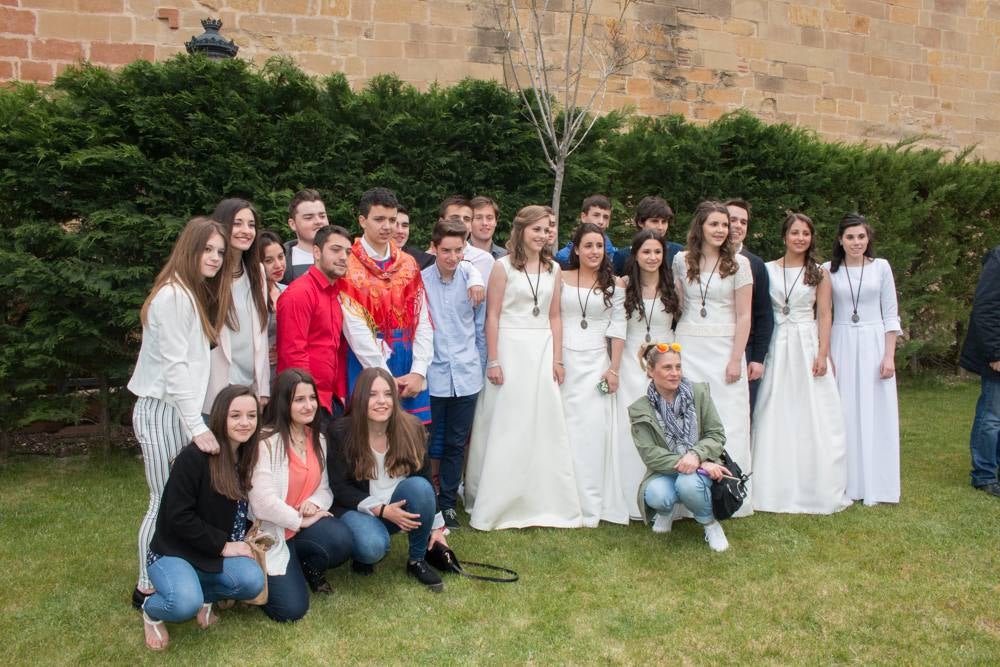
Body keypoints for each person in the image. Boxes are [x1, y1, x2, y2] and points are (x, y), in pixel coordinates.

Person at [128, 217, 230, 611]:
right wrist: (195, 425)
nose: (216, 258)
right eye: (207, 249)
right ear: (189, 249)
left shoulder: (191, 294)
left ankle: (183, 572)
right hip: (162, 411)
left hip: (181, 411)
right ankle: (145, 587)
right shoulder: (172, 296)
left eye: (220, 252)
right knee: (163, 501)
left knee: (183, 502)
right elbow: (174, 369)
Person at [464, 205, 583, 530]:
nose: (542, 236)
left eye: (546, 230)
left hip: (542, 349)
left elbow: (555, 316)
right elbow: (492, 316)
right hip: (510, 349)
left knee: (542, 422)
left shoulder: (553, 269)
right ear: (522, 230)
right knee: (507, 422)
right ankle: (497, 498)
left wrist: (558, 359)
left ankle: (543, 497)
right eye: (537, 230)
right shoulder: (502, 267)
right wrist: (494, 359)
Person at [140, 385, 266, 651]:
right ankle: (150, 611)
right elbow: (178, 518)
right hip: (174, 551)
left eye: (251, 415)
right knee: (183, 603)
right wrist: (223, 546)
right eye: (236, 415)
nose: (245, 423)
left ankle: (206, 598)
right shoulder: (194, 457)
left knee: (252, 581)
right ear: (220, 417)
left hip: (209, 551)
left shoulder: (245, 455)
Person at [751, 213, 850, 514]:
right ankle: (772, 484)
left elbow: (825, 314)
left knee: (811, 412)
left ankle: (812, 483)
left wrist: (822, 354)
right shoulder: (767, 269)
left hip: (806, 344)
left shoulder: (819, 273)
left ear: (811, 238)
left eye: (805, 233)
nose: (800, 238)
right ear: (784, 236)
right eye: (795, 233)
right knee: (773, 409)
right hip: (776, 344)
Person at [327, 368, 449, 591]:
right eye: (373, 395)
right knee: (372, 547)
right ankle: (362, 554)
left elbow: (425, 479)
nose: (381, 401)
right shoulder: (340, 432)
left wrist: (438, 529)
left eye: (387, 394)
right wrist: (381, 510)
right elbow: (339, 487)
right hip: (359, 509)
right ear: (361, 398)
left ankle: (417, 560)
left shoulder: (413, 428)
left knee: (420, 488)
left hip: (397, 506)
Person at [248, 369, 355, 622]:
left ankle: (306, 565)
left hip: (301, 530)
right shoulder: (265, 442)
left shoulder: (317, 438)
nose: (309, 406)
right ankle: (257, 574)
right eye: (299, 400)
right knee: (291, 610)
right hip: (272, 531)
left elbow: (325, 488)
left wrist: (314, 503)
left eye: (312, 398)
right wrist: (299, 520)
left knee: (341, 539)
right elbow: (262, 503)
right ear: (284, 403)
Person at [672, 201, 754, 517]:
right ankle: (688, 497)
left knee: (728, 417)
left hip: (724, 349)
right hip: (689, 345)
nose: (721, 230)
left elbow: (745, 315)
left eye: (725, 225)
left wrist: (736, 358)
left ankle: (730, 493)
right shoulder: (681, 261)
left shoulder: (740, 264)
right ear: (701, 228)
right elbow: (677, 304)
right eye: (714, 225)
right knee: (689, 418)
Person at [823, 213, 901, 505]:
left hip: (873, 342)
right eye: (850, 237)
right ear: (840, 240)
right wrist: (826, 354)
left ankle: (878, 483)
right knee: (843, 411)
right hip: (842, 341)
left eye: (861, 237)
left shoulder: (881, 268)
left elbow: (890, 314)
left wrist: (888, 355)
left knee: (875, 410)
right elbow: (823, 314)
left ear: (868, 239)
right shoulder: (828, 270)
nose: (856, 242)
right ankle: (847, 482)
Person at [277, 225, 388, 426]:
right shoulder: (299, 293)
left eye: (347, 252)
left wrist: (340, 393)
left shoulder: (336, 293)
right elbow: (293, 353)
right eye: (335, 250)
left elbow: (337, 349)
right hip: (305, 403)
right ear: (317, 252)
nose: (343, 257)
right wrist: (308, 400)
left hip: (331, 401)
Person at [340, 188, 434, 424]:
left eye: (392, 220)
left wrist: (419, 371)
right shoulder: (348, 265)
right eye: (379, 219)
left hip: (408, 360)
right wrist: (383, 377)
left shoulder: (408, 263)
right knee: (369, 438)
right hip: (368, 362)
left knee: (411, 442)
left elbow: (421, 318)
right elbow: (355, 327)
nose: (387, 226)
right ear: (362, 220)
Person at [628, 343, 732, 552]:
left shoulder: (699, 393)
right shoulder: (640, 409)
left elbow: (716, 434)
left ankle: (710, 524)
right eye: (667, 368)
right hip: (668, 469)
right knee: (656, 495)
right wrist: (697, 462)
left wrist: (697, 454)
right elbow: (651, 455)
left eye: (678, 367)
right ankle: (666, 512)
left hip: (697, 469)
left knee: (688, 485)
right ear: (650, 371)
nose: (675, 373)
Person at [559, 222, 629, 526]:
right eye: (588, 246)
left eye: (599, 246)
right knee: (564, 428)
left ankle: (592, 500)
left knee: (592, 431)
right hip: (565, 360)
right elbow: (554, 318)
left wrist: (613, 369)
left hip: (598, 363)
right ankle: (563, 497)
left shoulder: (615, 284)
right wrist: (556, 359)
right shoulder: (559, 278)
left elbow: (618, 327)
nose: (594, 252)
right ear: (576, 249)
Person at [422, 219, 487, 529]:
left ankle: (448, 503)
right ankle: (428, 502)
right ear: (434, 248)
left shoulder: (473, 282)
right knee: (426, 441)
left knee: (456, 442)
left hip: (466, 374)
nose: (452, 256)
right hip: (432, 375)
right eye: (445, 250)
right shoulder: (420, 282)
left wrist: (482, 366)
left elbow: (479, 329)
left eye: (458, 250)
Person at [615, 230, 682, 519]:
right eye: (646, 252)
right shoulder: (623, 285)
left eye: (657, 252)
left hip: (665, 360)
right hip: (633, 362)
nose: (652, 258)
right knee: (632, 427)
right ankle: (629, 497)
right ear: (636, 255)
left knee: (667, 426)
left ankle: (668, 498)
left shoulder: (674, 286)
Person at [207, 198, 271, 412]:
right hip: (214, 391)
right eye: (237, 223)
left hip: (249, 391)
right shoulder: (209, 274)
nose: (246, 231)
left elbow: (260, 334)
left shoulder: (258, 273)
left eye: (251, 225)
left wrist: (262, 389)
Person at [724, 199, 773, 415]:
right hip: (709, 345)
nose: (738, 226)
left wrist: (757, 358)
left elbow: (764, 315)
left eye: (743, 222)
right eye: (732, 220)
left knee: (741, 413)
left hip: (746, 350)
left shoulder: (755, 264)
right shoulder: (700, 260)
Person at [960, 243, 1000, 497]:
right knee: (992, 416)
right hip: (997, 353)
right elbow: (985, 309)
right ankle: (984, 475)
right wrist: (995, 353)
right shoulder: (998, 259)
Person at [612, 196, 683, 275]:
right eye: (654, 221)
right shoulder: (622, 256)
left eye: (664, 221)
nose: (660, 227)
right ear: (640, 223)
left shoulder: (677, 252)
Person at [437, 195, 494, 291]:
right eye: (455, 218)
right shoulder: (429, 258)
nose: (461, 223)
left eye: (466, 219)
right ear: (441, 222)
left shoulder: (486, 260)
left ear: (471, 226)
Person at [555, 194, 617, 268]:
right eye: (596, 215)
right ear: (583, 217)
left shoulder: (616, 255)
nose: (601, 221)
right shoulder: (563, 257)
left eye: (605, 217)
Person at [282, 189, 329, 284]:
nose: (318, 221)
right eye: (309, 217)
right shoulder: (282, 263)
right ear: (292, 224)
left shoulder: (345, 257)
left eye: (322, 216)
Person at [259, 230, 287, 380]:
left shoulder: (288, 291)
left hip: (284, 373)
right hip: (257, 374)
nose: (278, 265)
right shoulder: (249, 297)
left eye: (281, 257)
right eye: (269, 261)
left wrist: (282, 351)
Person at [395, 204, 435, 270]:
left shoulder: (421, 260)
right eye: (395, 225)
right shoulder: (372, 259)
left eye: (404, 226)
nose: (400, 231)